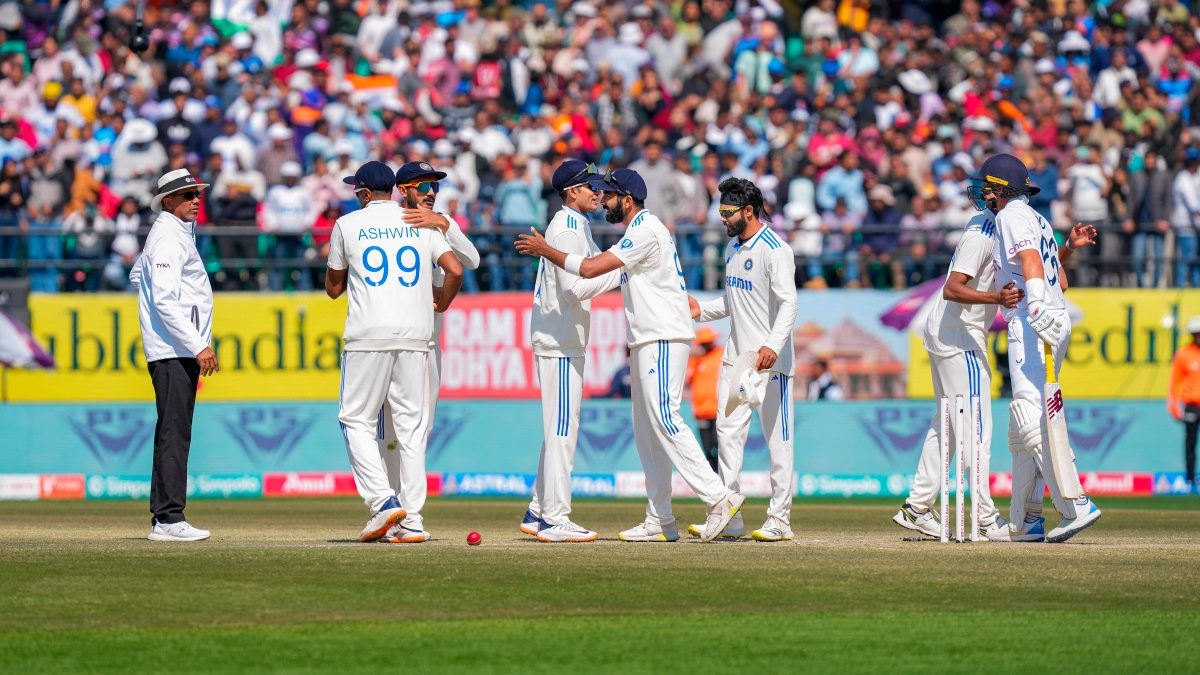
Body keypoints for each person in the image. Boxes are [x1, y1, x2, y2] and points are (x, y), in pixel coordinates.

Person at [515, 168, 745, 542]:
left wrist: (547, 252)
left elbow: (589, 269)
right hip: (646, 337)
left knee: (665, 419)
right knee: (646, 431)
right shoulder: (632, 234)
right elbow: (596, 279)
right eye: (598, 192)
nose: (603, 199)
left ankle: (718, 497)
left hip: (663, 335)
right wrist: (569, 269)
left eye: (608, 195)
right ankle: (660, 519)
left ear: (627, 198)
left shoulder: (645, 230)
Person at [325, 160, 464, 543]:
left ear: (366, 194)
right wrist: (442, 304)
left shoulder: (347, 225)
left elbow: (333, 288)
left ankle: (383, 502)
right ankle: (413, 519)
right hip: (416, 336)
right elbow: (454, 270)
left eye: (357, 191)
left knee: (355, 419)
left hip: (368, 335)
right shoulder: (418, 221)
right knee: (412, 431)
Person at [980, 153, 1102, 543]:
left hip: (1033, 323)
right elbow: (1059, 279)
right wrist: (1067, 249)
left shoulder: (1011, 217)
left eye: (988, 187)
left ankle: (1074, 501)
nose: (984, 194)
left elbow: (1031, 260)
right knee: (1023, 426)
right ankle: (1026, 521)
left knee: (1030, 417)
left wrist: (1033, 305)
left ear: (1000, 189)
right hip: (1052, 317)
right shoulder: (1039, 219)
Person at [892, 187, 1022, 540]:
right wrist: (996, 297)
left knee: (947, 426)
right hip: (958, 335)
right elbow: (952, 288)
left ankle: (917, 507)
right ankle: (983, 516)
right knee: (976, 426)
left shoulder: (1003, 228)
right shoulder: (982, 232)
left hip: (955, 334)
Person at [372, 161, 480, 543]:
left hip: (428, 344)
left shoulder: (441, 221)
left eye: (434, 184)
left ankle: (406, 513)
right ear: (403, 189)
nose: (431, 191)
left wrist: (445, 226)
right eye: (423, 185)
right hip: (391, 339)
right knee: (388, 432)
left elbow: (472, 261)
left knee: (419, 430)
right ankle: (391, 510)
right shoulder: (386, 222)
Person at [688, 177, 799, 542]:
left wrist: (772, 344)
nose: (722, 218)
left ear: (748, 211)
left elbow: (788, 303)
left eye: (727, 212)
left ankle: (779, 520)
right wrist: (699, 310)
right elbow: (733, 302)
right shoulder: (732, 248)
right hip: (737, 358)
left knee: (778, 440)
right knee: (727, 433)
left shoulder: (775, 249)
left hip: (771, 362)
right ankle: (727, 514)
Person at [519, 159, 618, 543]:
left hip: (565, 338)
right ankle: (555, 519)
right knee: (562, 428)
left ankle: (538, 509)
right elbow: (575, 287)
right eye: (590, 186)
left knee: (560, 426)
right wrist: (627, 270)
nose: (598, 191)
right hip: (559, 340)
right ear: (571, 192)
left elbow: (596, 265)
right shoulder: (564, 228)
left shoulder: (579, 225)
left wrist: (623, 265)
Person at [133, 169, 219, 542]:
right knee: (174, 432)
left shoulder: (173, 233)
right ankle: (168, 519)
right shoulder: (168, 235)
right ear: (168, 201)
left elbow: (139, 274)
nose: (195, 199)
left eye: (196, 193)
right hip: (174, 349)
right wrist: (197, 343)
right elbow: (166, 300)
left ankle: (164, 518)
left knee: (172, 430)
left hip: (173, 346)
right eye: (186, 195)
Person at [1168, 317, 1200, 493]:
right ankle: (1190, 481)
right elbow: (1175, 382)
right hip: (1192, 405)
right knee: (1190, 443)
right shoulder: (1184, 354)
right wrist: (1173, 404)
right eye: (1196, 334)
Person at [686, 326, 723, 473]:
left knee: (720, 447)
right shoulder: (696, 361)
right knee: (707, 449)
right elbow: (687, 381)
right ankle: (713, 478)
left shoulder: (721, 355)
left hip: (717, 411)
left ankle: (724, 478)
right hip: (701, 411)